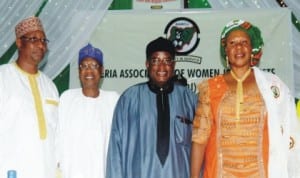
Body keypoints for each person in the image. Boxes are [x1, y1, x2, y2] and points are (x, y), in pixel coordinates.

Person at [190, 19, 300, 178]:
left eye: (244, 42)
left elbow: (288, 132)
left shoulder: (271, 87)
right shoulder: (210, 88)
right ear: (225, 51)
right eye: (232, 43)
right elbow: (199, 140)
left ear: (252, 49)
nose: (238, 47)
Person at [106, 37, 197, 178]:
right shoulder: (129, 99)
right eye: (155, 61)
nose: (161, 67)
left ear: (174, 65)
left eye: (167, 60)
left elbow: (201, 150)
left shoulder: (190, 99)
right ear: (147, 64)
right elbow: (115, 150)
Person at [0, 16, 59, 178]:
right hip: (10, 170)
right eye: (34, 39)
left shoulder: (50, 87)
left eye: (43, 40)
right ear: (19, 42)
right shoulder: (3, 77)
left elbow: (56, 137)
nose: (41, 45)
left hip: (46, 172)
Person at [55, 44, 119, 178]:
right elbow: (57, 139)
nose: (88, 71)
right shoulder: (67, 98)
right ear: (78, 72)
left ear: (102, 70)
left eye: (94, 66)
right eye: (84, 66)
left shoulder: (112, 100)